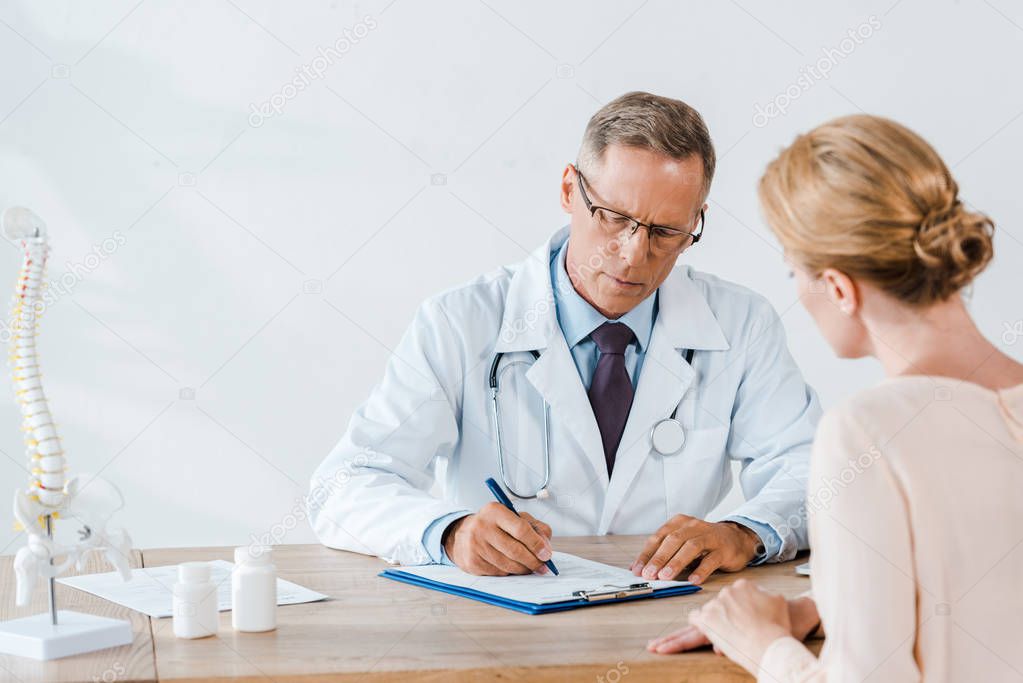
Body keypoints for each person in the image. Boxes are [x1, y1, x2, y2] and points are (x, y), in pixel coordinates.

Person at [307, 92, 822, 584]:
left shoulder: (742, 324)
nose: (632, 255)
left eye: (666, 232)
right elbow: (342, 487)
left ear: (697, 221)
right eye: (615, 218)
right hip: (503, 628)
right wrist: (449, 532)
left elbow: (814, 474)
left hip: (671, 616)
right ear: (569, 190)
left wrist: (745, 532)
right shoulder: (460, 322)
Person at [648, 114, 1023, 680]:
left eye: (793, 270)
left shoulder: (868, 433)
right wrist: (825, 608)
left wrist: (764, 644)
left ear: (839, 288)